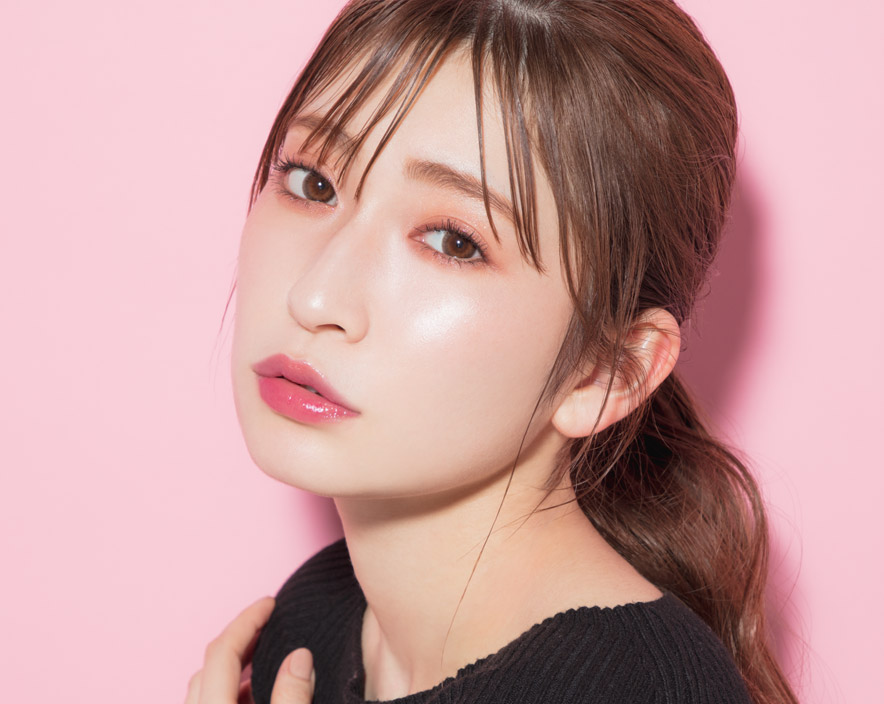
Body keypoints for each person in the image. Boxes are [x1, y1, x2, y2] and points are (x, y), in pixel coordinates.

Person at [186, 0, 799, 702]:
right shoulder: (312, 626)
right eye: (312, 183)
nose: (315, 297)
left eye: (453, 241)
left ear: (608, 371)